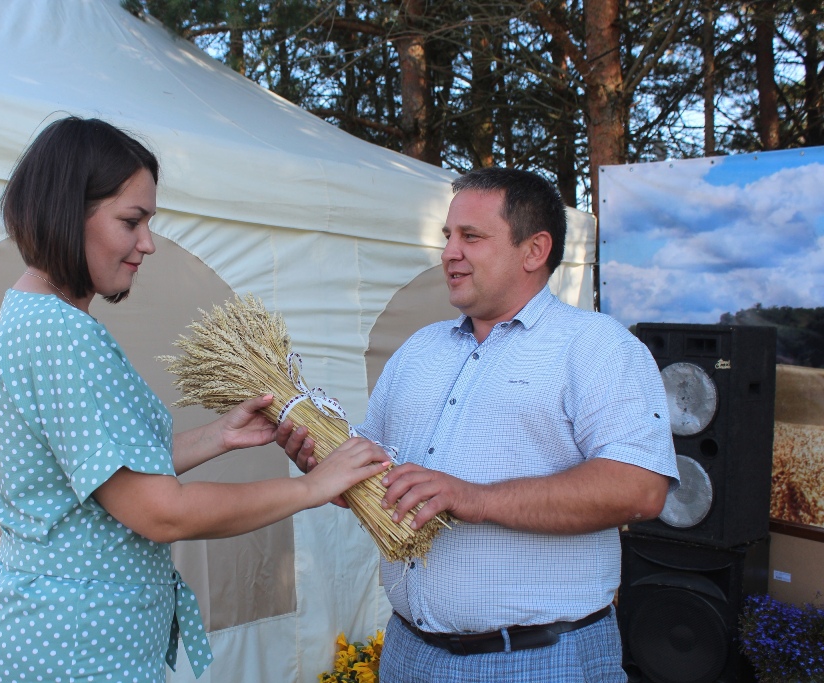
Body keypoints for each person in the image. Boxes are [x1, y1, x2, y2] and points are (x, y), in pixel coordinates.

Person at [0, 116, 391, 683]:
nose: (147, 243)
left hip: (67, 637)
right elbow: (159, 511)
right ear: (67, 211)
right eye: (132, 221)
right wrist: (313, 488)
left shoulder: (36, 317)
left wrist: (217, 436)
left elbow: (101, 472)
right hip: (77, 651)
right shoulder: (60, 335)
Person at [284, 168, 679, 682]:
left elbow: (640, 489)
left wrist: (473, 497)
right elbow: (377, 472)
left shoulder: (598, 347)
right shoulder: (418, 351)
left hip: (540, 661)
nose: (450, 252)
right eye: (447, 236)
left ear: (534, 250)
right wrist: (332, 468)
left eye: (471, 237)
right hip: (410, 653)